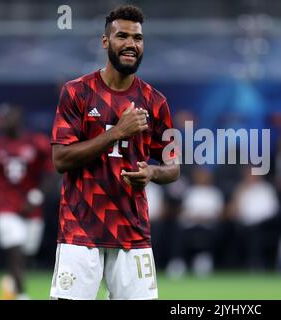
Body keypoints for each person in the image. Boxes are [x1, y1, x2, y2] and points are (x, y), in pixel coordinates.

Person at [49, 5, 179, 300]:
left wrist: (152, 172)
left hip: (132, 233)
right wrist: (117, 133)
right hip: (80, 232)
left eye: (137, 38)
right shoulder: (76, 92)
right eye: (122, 36)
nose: (131, 44)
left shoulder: (156, 102)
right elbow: (61, 159)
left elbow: (173, 168)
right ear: (105, 41)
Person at [0, 103, 53, 299]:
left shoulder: (37, 143)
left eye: (6, 118)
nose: (2, 123)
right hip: (5, 207)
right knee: (15, 250)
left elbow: (53, 172)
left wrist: (36, 196)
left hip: (31, 208)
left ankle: (10, 282)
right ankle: (22, 295)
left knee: (26, 253)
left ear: (17, 119)